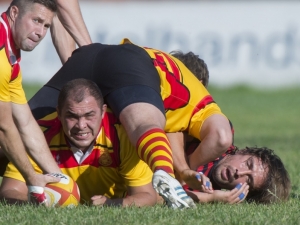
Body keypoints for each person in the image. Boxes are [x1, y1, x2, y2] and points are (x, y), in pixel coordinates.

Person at [26, 38, 233, 209]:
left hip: (87, 56)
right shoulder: (194, 100)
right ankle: (167, 177)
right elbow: (219, 136)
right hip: (128, 62)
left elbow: (173, 132)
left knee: (17, 133)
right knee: (142, 125)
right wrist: (180, 174)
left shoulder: (165, 77)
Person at [0, 79, 157, 207]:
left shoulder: (121, 135)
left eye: (89, 115)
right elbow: (9, 191)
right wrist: (39, 203)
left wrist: (110, 204)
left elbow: (147, 196)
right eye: (72, 116)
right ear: (59, 114)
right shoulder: (38, 135)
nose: (81, 125)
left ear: (103, 112)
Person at [0, 0, 61, 203]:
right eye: (36, 21)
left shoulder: (11, 54)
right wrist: (32, 178)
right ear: (15, 13)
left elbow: (24, 121)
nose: (41, 33)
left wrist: (59, 178)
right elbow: (4, 126)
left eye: (46, 26)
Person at [183, 145, 291, 204]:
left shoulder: (208, 190)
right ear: (243, 151)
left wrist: (209, 198)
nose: (239, 173)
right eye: (248, 164)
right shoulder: (217, 138)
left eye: (248, 180)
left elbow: (167, 193)